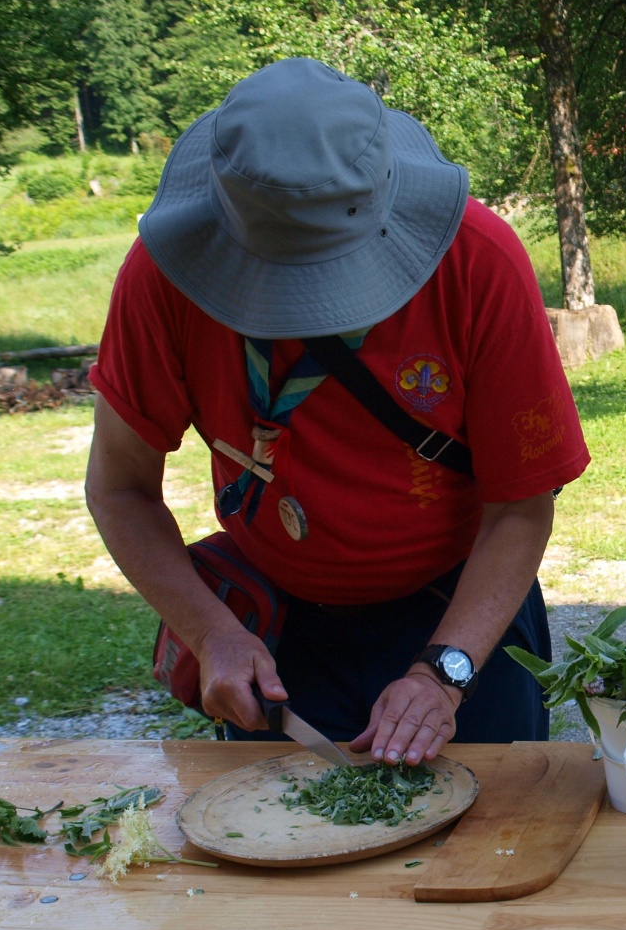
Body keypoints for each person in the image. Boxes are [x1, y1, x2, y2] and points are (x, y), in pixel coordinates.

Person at [85, 58, 589, 766]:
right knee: (287, 860)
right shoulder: (161, 278)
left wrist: (442, 673)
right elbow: (119, 486)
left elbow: (521, 507)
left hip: (460, 609)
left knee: (485, 852)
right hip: (274, 631)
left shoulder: (477, 262)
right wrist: (212, 633)